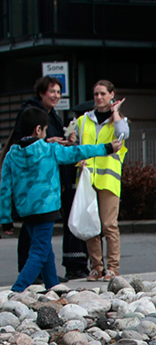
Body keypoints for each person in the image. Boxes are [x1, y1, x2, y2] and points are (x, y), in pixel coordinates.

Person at [1, 108, 122, 293]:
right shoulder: (49, 150)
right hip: (46, 207)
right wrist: (106, 148)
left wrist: (6, 218)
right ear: (38, 129)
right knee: (39, 251)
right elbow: (78, 152)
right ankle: (17, 290)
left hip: (25, 210)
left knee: (44, 248)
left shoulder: (11, 155)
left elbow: (4, 188)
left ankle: (52, 285)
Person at [4, 76, 88, 281]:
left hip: (42, 190)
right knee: (39, 247)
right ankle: (21, 285)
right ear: (41, 93)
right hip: (38, 192)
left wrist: (66, 142)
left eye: (59, 92)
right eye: (52, 91)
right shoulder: (32, 114)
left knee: (42, 245)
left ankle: (51, 283)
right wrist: (46, 143)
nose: (56, 96)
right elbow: (23, 141)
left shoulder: (53, 116)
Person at [79, 79, 129, 280]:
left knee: (109, 225)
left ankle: (113, 267)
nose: (99, 98)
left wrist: (115, 112)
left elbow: (122, 134)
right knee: (91, 225)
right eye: (96, 94)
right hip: (87, 178)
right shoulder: (84, 120)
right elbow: (77, 146)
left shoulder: (119, 121)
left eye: (103, 94)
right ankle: (96, 267)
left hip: (108, 180)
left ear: (111, 95)